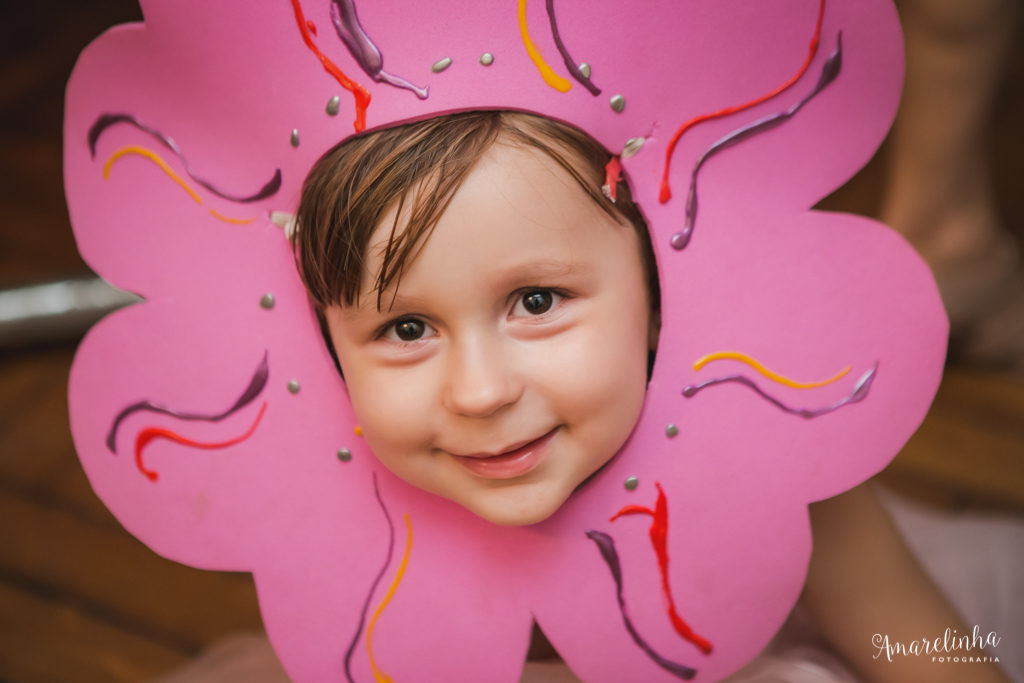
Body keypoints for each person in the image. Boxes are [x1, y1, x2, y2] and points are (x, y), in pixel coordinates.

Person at [289, 109, 1010, 682]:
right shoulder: (334, 540)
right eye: (406, 326)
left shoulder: (771, 480)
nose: (479, 391)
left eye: (537, 300)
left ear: (661, 292)